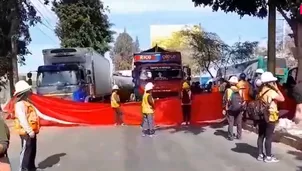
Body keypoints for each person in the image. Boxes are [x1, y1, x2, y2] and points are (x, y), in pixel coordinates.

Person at [256, 71, 285, 163]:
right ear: (270, 82)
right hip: (270, 116)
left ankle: (260, 155)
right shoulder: (271, 91)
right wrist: (277, 89)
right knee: (269, 137)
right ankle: (268, 157)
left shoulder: (261, 90)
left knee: (261, 136)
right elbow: (282, 99)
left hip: (261, 116)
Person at [13, 80, 40, 171]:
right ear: (24, 93)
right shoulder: (19, 104)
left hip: (32, 131)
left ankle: (31, 167)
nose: (30, 92)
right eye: (28, 90)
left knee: (32, 150)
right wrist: (29, 131)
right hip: (26, 132)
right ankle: (24, 169)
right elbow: (22, 119)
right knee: (26, 151)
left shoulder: (27, 102)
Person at [225, 76, 243, 141]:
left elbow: (226, 99)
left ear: (230, 83)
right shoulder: (240, 90)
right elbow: (242, 99)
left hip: (231, 108)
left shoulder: (228, 90)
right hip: (239, 108)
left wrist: (226, 108)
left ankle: (230, 136)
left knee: (231, 122)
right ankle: (239, 136)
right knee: (239, 122)